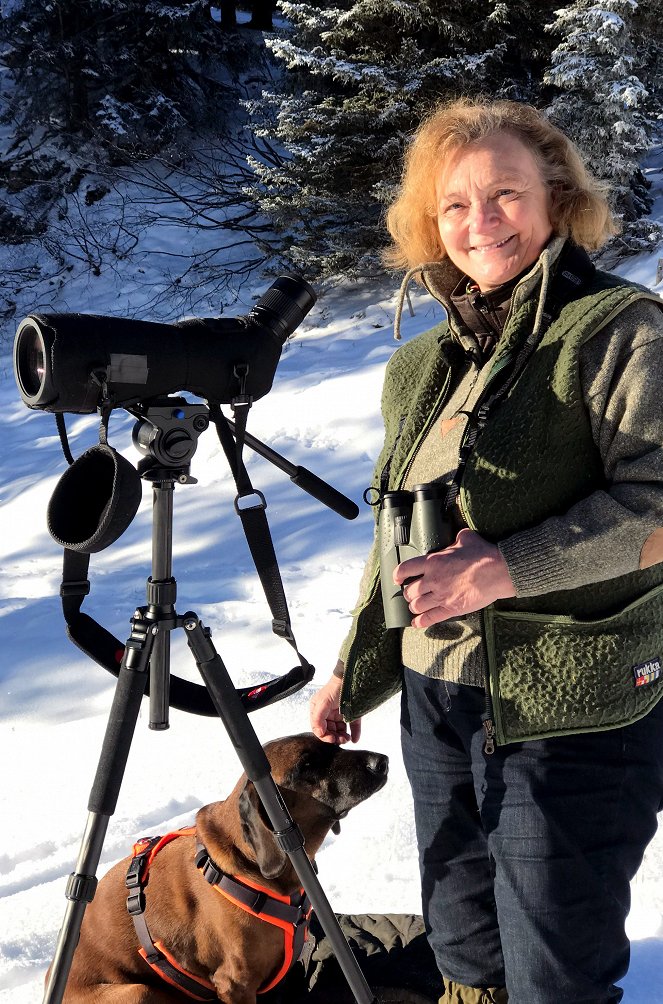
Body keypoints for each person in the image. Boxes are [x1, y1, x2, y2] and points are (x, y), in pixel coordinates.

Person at [309, 97, 663, 1004]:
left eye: (503, 194)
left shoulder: (622, 331)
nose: (479, 223)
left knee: (554, 965)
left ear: (555, 199)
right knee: (464, 945)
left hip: (574, 695)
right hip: (439, 691)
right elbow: (398, 528)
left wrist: (507, 567)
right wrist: (357, 666)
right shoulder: (422, 365)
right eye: (453, 206)